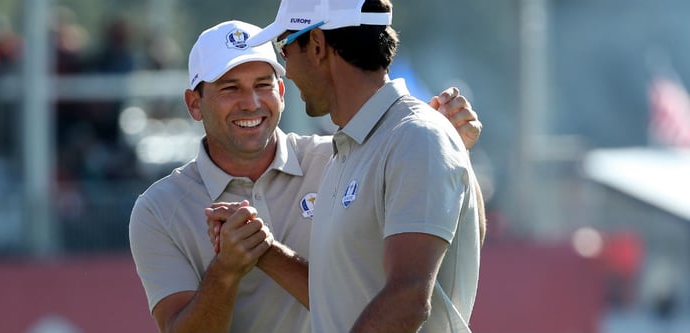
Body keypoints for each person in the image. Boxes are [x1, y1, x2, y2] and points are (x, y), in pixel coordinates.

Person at [129, 20, 482, 333]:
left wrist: (452, 157)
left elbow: (452, 244)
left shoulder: (344, 155)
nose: (251, 102)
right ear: (194, 104)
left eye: (264, 84)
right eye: (230, 88)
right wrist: (226, 270)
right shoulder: (158, 210)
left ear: (281, 92)